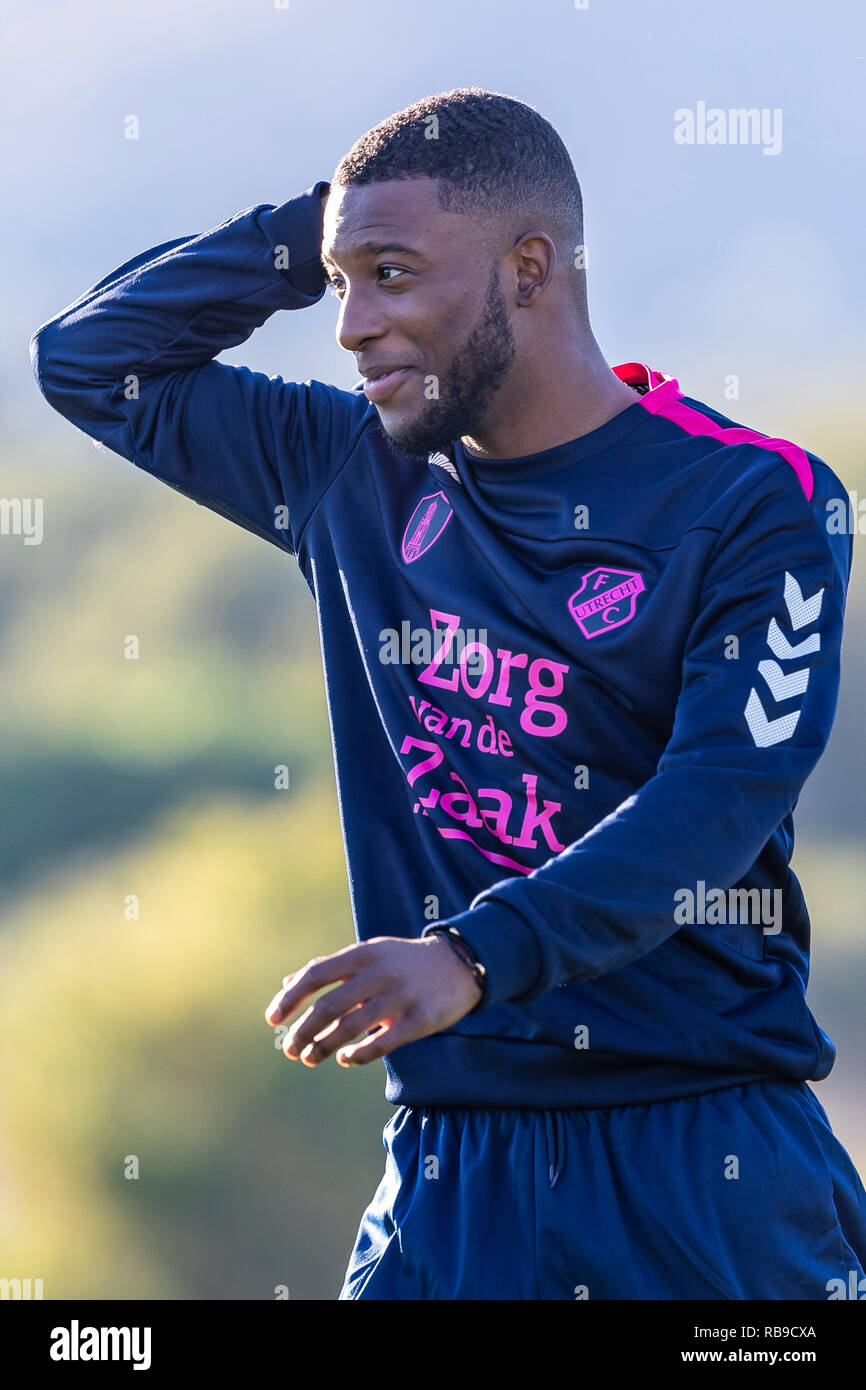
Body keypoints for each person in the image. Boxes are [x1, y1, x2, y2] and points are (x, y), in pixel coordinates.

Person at [30, 86, 866, 1301]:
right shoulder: (343, 473)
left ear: (528, 269)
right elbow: (88, 362)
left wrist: (474, 956)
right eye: (342, 282)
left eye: (392, 275)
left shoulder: (750, 500)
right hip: (445, 1167)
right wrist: (321, 228)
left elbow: (715, 804)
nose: (349, 324)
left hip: (703, 1167)